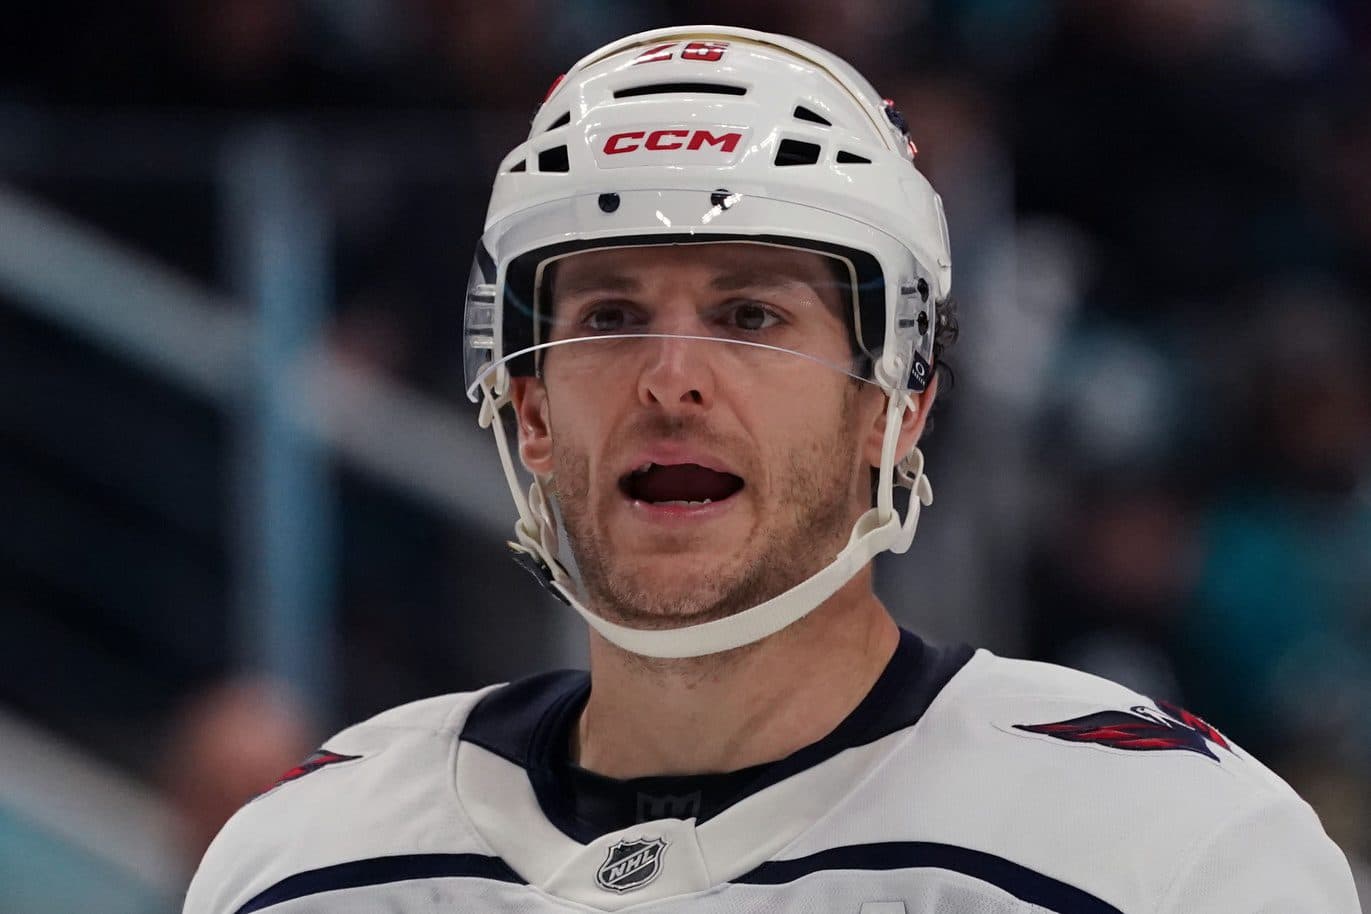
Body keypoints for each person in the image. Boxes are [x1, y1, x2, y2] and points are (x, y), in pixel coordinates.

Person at [184, 25, 1361, 913]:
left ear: (898, 406)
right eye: (607, 316)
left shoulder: (1167, 848)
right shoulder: (306, 860)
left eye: (750, 313)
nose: (671, 377)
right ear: (528, 406)